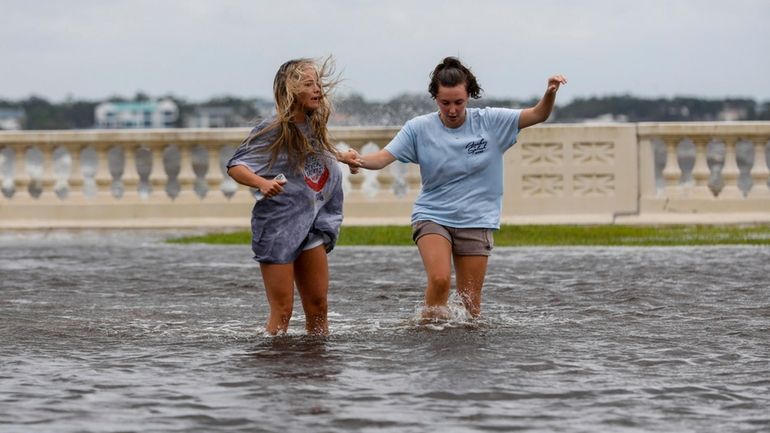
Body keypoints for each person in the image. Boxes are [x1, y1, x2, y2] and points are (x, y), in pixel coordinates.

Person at [359, 56, 567, 321]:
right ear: (435, 98)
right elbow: (383, 157)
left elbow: (538, 114)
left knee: (471, 306)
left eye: (459, 102)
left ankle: (463, 357)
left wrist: (549, 93)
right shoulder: (419, 128)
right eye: (445, 103)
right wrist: (358, 160)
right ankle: (428, 334)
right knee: (440, 279)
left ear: (469, 95)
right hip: (433, 215)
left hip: (476, 219)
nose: (453, 109)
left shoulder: (490, 122)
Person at [227, 57, 362, 335]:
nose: (317, 90)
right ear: (291, 90)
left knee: (318, 307)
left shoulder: (313, 125)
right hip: (278, 228)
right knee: (283, 311)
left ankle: (316, 370)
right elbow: (236, 166)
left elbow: (314, 154)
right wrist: (261, 183)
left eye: (318, 84)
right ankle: (275, 370)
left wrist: (341, 156)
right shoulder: (272, 129)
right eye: (309, 84)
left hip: (310, 225)